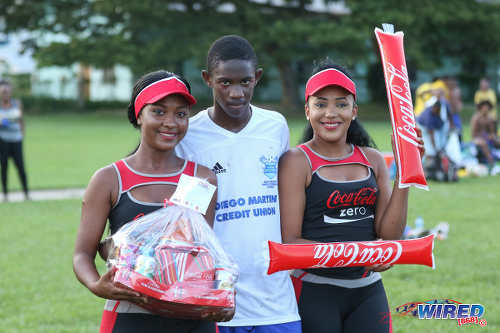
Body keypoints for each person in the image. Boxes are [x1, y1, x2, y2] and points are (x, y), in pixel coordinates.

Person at [278, 59, 423, 333]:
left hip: (368, 292)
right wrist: (359, 255)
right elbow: (291, 242)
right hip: (314, 290)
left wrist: (405, 173)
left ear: (354, 111)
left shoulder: (373, 159)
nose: (330, 113)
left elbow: (389, 237)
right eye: (321, 104)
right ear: (307, 110)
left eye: (341, 104)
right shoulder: (297, 161)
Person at [73, 70, 220, 333]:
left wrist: (219, 296)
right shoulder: (110, 179)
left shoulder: (201, 177)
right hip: (131, 315)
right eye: (159, 112)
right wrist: (97, 285)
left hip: (192, 315)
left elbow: (201, 254)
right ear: (139, 115)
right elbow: (82, 254)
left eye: (181, 113)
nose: (171, 122)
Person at [176, 35, 301, 333]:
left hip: (275, 301)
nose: (235, 92)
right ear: (207, 79)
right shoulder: (190, 134)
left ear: (257, 78)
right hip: (217, 297)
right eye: (225, 82)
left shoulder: (275, 126)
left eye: (245, 82)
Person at [0, 79, 29, 201]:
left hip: (16, 140)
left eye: (7, 90)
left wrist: (22, 134)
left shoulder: (17, 103)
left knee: (21, 167)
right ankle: (5, 195)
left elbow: (21, 120)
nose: (6, 93)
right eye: (3, 91)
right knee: (4, 167)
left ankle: (26, 193)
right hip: (3, 140)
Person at [470, 100, 500, 171]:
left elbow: (493, 133)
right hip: (478, 139)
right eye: (484, 107)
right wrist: (486, 136)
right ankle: (491, 163)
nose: (486, 109)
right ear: (480, 108)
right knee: (483, 143)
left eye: (487, 108)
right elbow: (474, 134)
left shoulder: (491, 119)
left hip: (490, 139)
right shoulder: (476, 118)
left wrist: (493, 136)